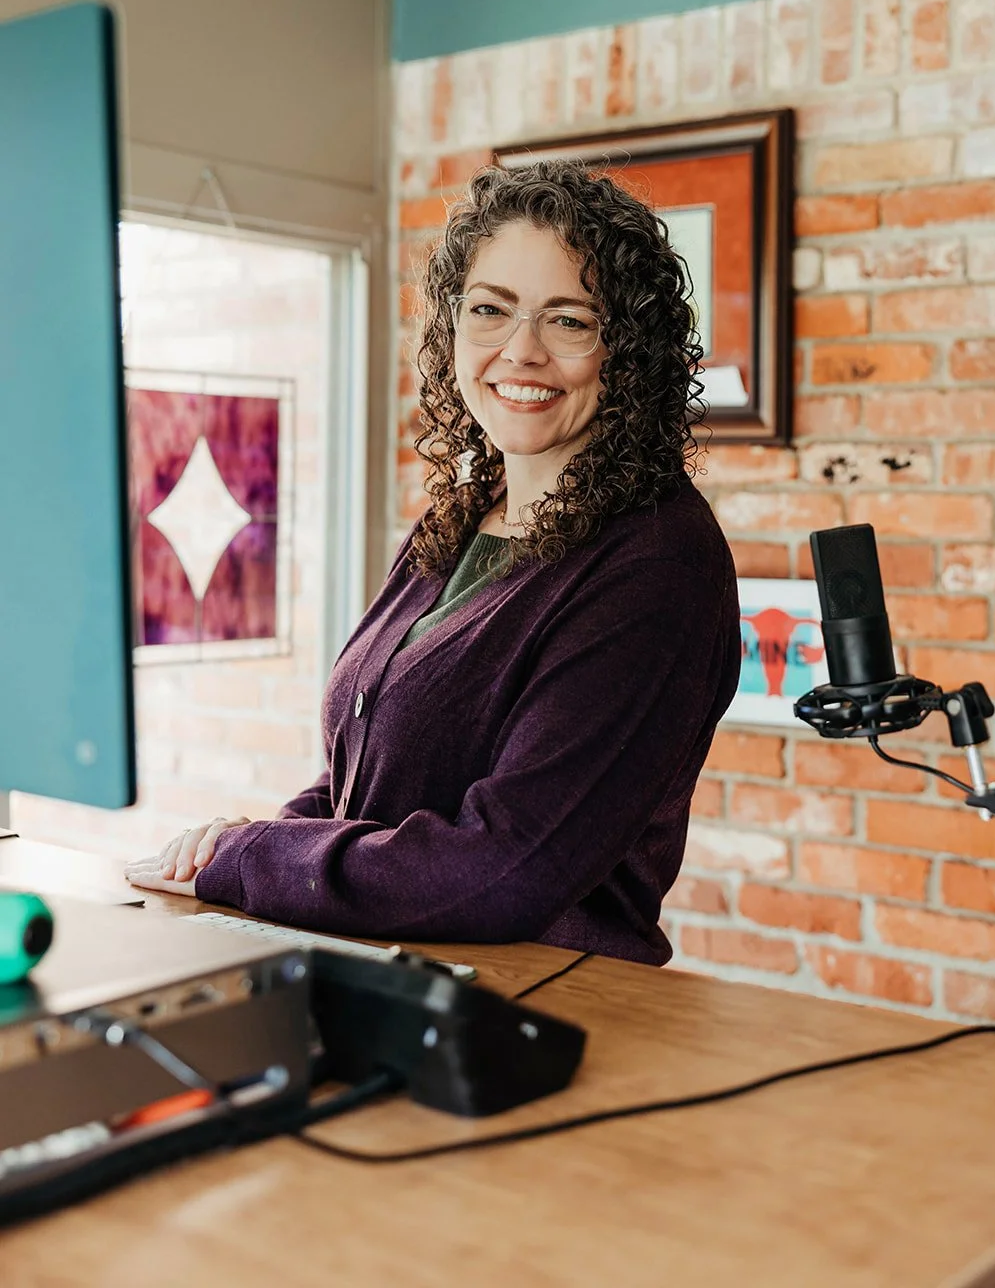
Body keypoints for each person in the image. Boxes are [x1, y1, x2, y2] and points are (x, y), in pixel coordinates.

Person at [126, 160, 741, 965]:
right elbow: (372, 784)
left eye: (570, 321)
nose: (520, 352)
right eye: (491, 310)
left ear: (629, 351)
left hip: (540, 1010)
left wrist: (260, 863)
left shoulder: (656, 565)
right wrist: (251, 845)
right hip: (393, 975)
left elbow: (510, 866)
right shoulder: (457, 522)